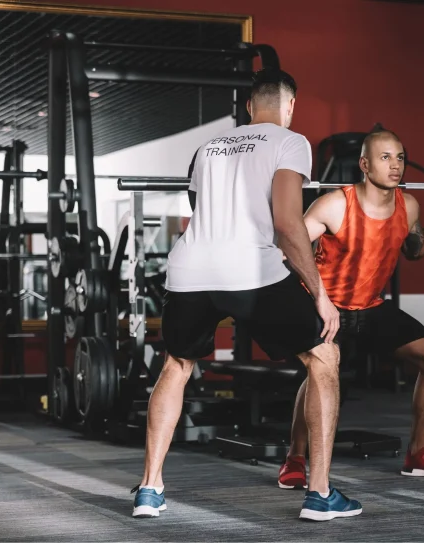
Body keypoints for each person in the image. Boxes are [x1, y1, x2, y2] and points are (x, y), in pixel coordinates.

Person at [131, 68, 362, 522]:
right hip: (251, 269)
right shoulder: (290, 141)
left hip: (189, 268)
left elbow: (200, 212)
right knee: (323, 358)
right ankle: (319, 494)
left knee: (176, 366)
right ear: (289, 106)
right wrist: (319, 293)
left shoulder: (209, 147)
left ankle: (149, 488)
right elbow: (288, 224)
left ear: (250, 107)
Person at [277, 129, 424, 490]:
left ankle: (418, 453)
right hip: (328, 309)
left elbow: (415, 248)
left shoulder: (408, 205)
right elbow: (290, 246)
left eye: (399, 157)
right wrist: (315, 298)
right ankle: (296, 458)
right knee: (319, 376)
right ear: (364, 164)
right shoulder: (335, 204)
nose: (396, 165)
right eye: (385, 157)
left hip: (372, 307)